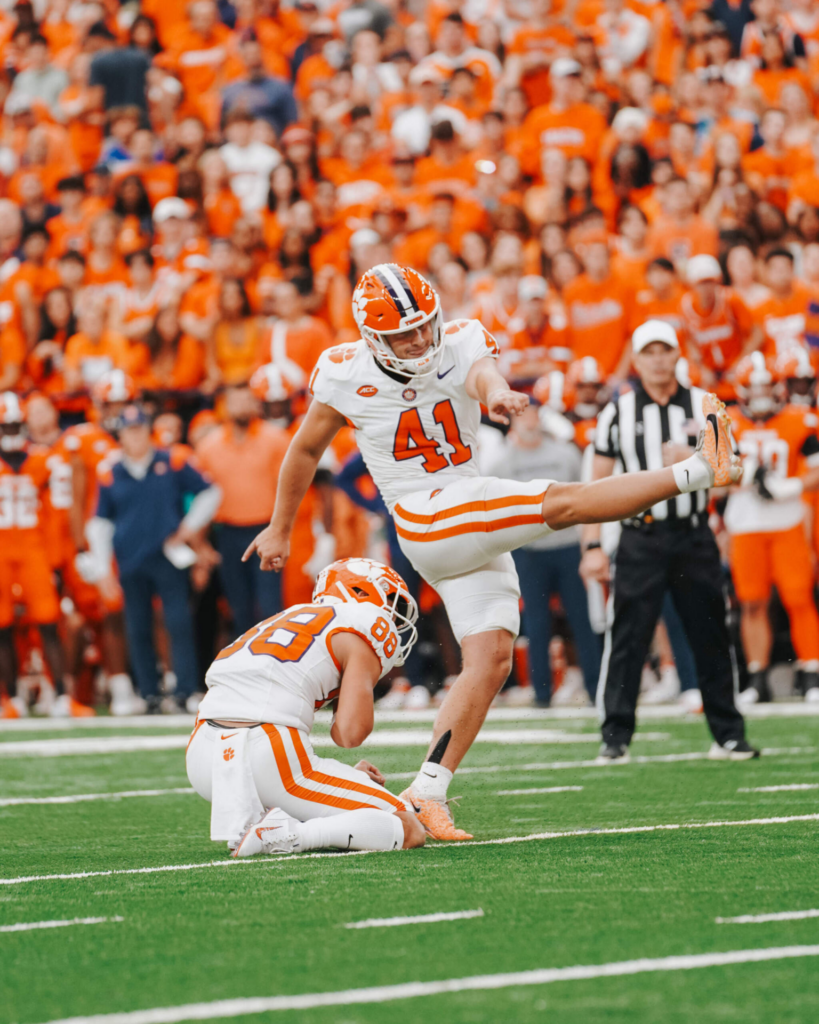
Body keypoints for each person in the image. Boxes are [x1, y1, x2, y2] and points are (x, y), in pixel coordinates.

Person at [244, 264, 742, 839]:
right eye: (403, 335)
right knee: (565, 504)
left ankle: (427, 791)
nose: (419, 341)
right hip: (425, 514)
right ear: (372, 338)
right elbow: (305, 451)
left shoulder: (458, 340)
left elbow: (481, 372)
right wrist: (281, 527)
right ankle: (700, 468)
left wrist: (498, 391)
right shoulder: (343, 373)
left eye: (424, 327)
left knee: (492, 659)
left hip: (468, 514)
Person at [581, 319, 756, 763]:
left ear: (678, 355)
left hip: (693, 533)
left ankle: (728, 733)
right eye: (649, 352)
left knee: (711, 632)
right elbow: (595, 484)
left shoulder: (704, 404)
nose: (658, 360)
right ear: (636, 360)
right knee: (628, 638)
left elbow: (736, 471)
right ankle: (615, 735)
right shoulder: (616, 412)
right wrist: (592, 545)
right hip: (641, 536)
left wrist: (698, 460)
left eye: (665, 351)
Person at [185, 557, 426, 856]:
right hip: (268, 752)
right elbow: (350, 734)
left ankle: (272, 823)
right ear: (361, 594)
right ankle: (293, 835)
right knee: (409, 824)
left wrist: (340, 777)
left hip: (202, 757)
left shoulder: (283, 617)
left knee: (320, 796)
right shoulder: (364, 622)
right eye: (390, 601)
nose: (393, 618)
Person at [88, 405, 222, 713]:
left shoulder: (171, 461)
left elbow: (210, 492)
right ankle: (148, 691)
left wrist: (188, 528)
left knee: (178, 622)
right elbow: (100, 523)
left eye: (139, 429)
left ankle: (186, 689)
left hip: (167, 556)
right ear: (120, 434)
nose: (135, 436)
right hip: (130, 558)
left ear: (147, 430)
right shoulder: (110, 470)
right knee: (138, 625)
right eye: (129, 430)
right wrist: (102, 568)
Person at [196, 383, 289, 636]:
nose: (241, 407)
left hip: (266, 530)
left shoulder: (276, 440)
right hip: (227, 532)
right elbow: (199, 498)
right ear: (225, 406)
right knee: (238, 607)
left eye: (247, 400)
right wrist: (201, 543)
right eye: (235, 401)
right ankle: (245, 670)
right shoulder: (209, 446)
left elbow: (289, 488)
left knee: (271, 605)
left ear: (257, 404)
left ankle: (277, 666)